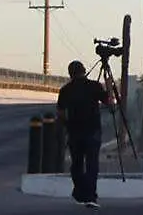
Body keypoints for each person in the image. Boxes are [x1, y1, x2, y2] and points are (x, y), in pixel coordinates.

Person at [57, 60, 112, 208]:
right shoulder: (94, 86)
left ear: (70, 74)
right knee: (92, 164)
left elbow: (61, 113)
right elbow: (109, 101)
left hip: (74, 132)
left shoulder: (65, 90)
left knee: (77, 164)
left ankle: (80, 192)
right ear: (84, 70)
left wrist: (67, 125)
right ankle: (90, 195)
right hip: (93, 130)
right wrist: (108, 84)